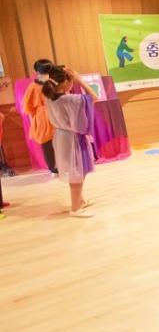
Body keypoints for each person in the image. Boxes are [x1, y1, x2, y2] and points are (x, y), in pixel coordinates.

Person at [41, 64, 99, 218]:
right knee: (77, 172)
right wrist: (80, 80)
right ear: (66, 82)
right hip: (72, 138)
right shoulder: (69, 99)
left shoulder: (49, 97)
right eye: (71, 80)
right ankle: (75, 208)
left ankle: (79, 200)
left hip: (62, 136)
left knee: (76, 170)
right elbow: (94, 97)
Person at [21, 59, 58, 175]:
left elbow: (27, 107)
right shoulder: (38, 86)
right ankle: (55, 167)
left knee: (52, 143)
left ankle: (56, 167)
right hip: (49, 116)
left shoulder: (48, 84)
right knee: (51, 143)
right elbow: (28, 107)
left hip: (48, 115)